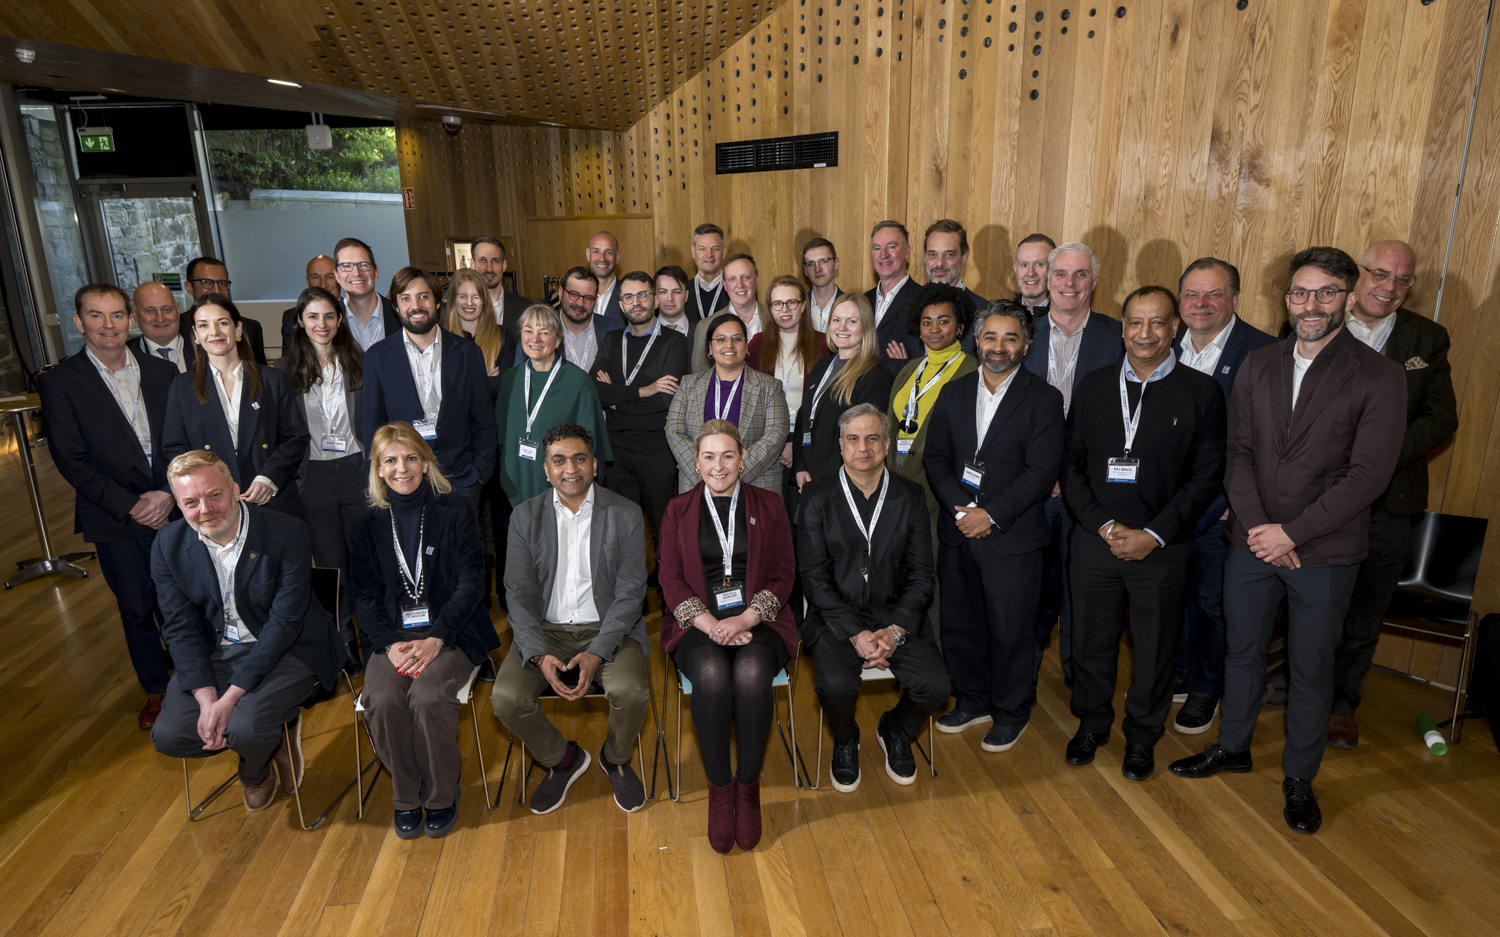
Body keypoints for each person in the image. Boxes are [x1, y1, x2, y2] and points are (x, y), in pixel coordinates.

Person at [1169, 247, 1406, 835]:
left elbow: (1368, 477)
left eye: (1326, 292)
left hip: (1323, 551)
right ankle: (1233, 747)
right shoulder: (1260, 364)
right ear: (1286, 299)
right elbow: (1237, 453)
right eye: (1301, 292)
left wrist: (1291, 534)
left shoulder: (1380, 375)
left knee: (1310, 667)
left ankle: (1299, 776)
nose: (1311, 305)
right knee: (1241, 652)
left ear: (1349, 297)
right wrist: (1259, 531)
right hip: (1251, 543)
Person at [1061, 287, 1226, 781]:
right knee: (1091, 644)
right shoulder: (1093, 386)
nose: (1145, 333)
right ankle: (1092, 723)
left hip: (1162, 549)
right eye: (1135, 323)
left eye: (1157, 323)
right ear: (1122, 329)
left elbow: (1206, 478)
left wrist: (1153, 534)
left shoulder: (1202, 392)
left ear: (1174, 328)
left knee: (1155, 649)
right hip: (1096, 541)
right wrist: (1105, 525)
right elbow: (1071, 467)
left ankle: (1142, 735)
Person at [149, 451, 343, 812]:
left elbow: (284, 623)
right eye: (191, 502)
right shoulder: (168, 544)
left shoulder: (286, 531)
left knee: (246, 727)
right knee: (169, 736)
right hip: (218, 651)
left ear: (235, 489)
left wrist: (231, 698)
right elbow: (179, 625)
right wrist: (208, 699)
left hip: (288, 648)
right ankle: (270, 737)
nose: (205, 509)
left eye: (214, 495)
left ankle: (255, 769)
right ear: (178, 505)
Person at [1328, 240, 1458, 748]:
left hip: (1389, 501)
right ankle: (1296, 688)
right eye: (1380, 273)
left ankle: (1341, 706)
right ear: (1357, 274)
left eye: (1403, 279)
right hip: (1318, 498)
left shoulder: (1427, 338)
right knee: (1310, 603)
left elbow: (1441, 419)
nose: (1390, 287)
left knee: (1365, 613)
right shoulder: (1317, 320)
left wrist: (1377, 459)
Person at [923, 302, 1064, 753]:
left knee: (1011, 629)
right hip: (958, 529)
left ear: (1026, 344)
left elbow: (1040, 474)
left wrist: (991, 515)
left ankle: (1011, 712)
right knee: (960, 622)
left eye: (1009, 338)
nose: (998, 347)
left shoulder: (1045, 399)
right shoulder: (954, 392)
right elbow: (936, 458)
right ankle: (972, 700)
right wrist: (963, 511)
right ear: (977, 342)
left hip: (1012, 535)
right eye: (990, 337)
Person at [349, 423, 500, 838]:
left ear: (426, 463)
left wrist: (437, 639)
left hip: (451, 633)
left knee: (428, 697)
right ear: (378, 469)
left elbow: (472, 585)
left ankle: (440, 795)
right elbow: (361, 596)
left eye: (411, 458)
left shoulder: (456, 513)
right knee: (382, 700)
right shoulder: (365, 525)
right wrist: (390, 644)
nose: (402, 469)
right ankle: (405, 795)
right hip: (391, 638)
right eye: (391, 461)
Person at [492, 423, 652, 814]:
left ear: (595, 465)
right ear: (546, 469)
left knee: (630, 691)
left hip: (610, 628)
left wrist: (598, 652)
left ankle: (615, 758)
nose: (570, 468)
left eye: (579, 458)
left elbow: (631, 594)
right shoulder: (524, 517)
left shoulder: (626, 514)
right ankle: (562, 759)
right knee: (506, 698)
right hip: (546, 631)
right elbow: (518, 595)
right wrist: (538, 654)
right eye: (559, 460)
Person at [40, 283, 177, 728]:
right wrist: (133, 505)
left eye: (117, 315)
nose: (108, 325)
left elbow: (182, 437)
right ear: (78, 322)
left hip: (172, 507)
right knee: (137, 608)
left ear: (130, 320)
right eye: (96, 316)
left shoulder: (162, 372)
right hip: (114, 516)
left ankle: (194, 678)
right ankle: (156, 689)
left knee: (182, 600)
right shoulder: (61, 382)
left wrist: (167, 492)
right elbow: (72, 460)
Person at [659, 421, 798, 853]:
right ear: (695, 461)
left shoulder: (770, 505)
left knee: (752, 675)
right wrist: (710, 624)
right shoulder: (677, 509)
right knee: (713, 675)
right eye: (708, 456)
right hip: (696, 621)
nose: (718, 466)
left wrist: (745, 620)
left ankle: (748, 788)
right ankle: (720, 789)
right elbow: (670, 578)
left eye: (727, 456)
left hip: (761, 618)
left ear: (742, 458)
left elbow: (784, 573)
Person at [798, 404, 948, 791]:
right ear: (841, 445)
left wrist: (895, 631)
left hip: (895, 613)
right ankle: (846, 739)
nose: (862, 447)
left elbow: (922, 576)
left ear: (886, 444)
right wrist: (855, 633)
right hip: (836, 615)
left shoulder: (910, 496)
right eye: (853, 439)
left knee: (936, 685)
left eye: (872, 438)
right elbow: (814, 578)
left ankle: (895, 728)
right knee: (835, 685)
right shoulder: (816, 495)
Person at [1169, 258, 1278, 734]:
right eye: (1191, 294)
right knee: (1174, 598)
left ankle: (1206, 688)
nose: (1201, 303)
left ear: (1235, 299)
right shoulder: (1161, 343)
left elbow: (1271, 442)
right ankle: (1180, 674)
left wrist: (1240, 502)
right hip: (1167, 506)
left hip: (1224, 508)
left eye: (1213, 294)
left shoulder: (1265, 352)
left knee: (1213, 605)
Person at [1022, 241, 1124, 687]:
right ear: (1047, 280)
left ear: (1094, 282)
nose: (1069, 283)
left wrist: (1068, 475)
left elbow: (1121, 420)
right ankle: (1020, 675)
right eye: (1060, 274)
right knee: (1029, 588)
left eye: (1080, 274)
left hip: (1089, 488)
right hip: (1029, 487)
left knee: (1083, 592)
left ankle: (1079, 683)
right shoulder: (1020, 332)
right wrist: (1043, 474)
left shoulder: (1117, 335)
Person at [363, 267, 498, 517]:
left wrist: (478, 474)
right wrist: (383, 481)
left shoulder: (468, 353)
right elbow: (374, 429)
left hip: (461, 481)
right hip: (405, 483)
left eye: (423, 297)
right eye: (406, 298)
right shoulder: (377, 358)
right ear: (396, 307)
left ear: (437, 302)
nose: (416, 306)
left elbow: (484, 422)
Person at [161, 294, 309, 518]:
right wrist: (208, 484)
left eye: (222, 323)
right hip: (213, 505)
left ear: (238, 329)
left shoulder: (272, 379)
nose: (214, 332)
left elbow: (295, 437)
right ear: (196, 335)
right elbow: (174, 448)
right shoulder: (182, 386)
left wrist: (269, 478)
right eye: (204, 325)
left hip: (271, 501)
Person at [280, 286, 366, 665]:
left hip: (356, 471)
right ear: (300, 321)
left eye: (329, 316)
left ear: (340, 319)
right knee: (332, 566)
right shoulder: (284, 372)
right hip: (313, 477)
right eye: (313, 316)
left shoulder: (360, 362)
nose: (322, 324)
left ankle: (373, 634)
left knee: (364, 560)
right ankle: (343, 641)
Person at [593, 270, 690, 547]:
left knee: (663, 528)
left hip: (657, 449)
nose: (636, 302)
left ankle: (665, 575)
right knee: (622, 531)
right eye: (628, 297)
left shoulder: (674, 341)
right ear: (621, 305)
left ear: (655, 300)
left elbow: (666, 401)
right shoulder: (612, 339)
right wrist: (643, 391)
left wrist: (616, 400)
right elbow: (594, 390)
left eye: (643, 295)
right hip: (616, 450)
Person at [495, 303, 612, 506]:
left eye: (544, 332)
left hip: (564, 488)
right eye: (528, 331)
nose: (535, 339)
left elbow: (590, 445)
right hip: (516, 482)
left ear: (558, 339)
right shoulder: (510, 379)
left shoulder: (578, 382)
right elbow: (502, 438)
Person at [666, 312, 789, 494]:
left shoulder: (770, 387)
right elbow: (674, 430)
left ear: (746, 346)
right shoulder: (688, 385)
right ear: (710, 348)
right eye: (721, 339)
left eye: (737, 339)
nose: (729, 345)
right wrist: (706, 473)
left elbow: (775, 435)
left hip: (755, 485)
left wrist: (731, 474)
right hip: (697, 484)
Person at [792, 293, 892, 492]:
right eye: (836, 320)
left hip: (842, 483)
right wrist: (800, 466)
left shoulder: (873, 377)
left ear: (866, 327)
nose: (842, 327)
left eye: (852, 321)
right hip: (807, 475)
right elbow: (804, 419)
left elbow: (863, 440)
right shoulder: (821, 367)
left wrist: (821, 481)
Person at [750, 275, 829, 501]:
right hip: (767, 438)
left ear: (803, 306)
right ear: (770, 308)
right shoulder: (757, 344)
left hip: (809, 439)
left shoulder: (823, 344)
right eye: (777, 303)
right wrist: (778, 443)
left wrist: (795, 446)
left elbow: (826, 405)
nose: (784, 310)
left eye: (791, 302)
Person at [443, 267, 518, 396]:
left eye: (476, 297)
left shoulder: (503, 336)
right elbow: (443, 388)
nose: (469, 303)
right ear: (453, 300)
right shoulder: (442, 340)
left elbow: (504, 384)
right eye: (462, 296)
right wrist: (484, 379)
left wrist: (464, 382)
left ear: (484, 300)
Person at [182, 257, 268, 365]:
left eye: (222, 283)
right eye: (207, 282)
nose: (216, 290)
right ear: (189, 287)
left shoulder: (251, 328)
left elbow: (259, 371)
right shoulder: (177, 328)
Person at [866, 221, 924, 376]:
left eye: (891, 247)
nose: (883, 254)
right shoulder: (863, 301)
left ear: (907, 252)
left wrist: (905, 366)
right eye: (877, 248)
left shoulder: (922, 301)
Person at [689, 253, 764, 372]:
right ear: (725, 285)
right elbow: (699, 377)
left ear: (757, 280)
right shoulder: (705, 327)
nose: (740, 285)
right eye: (732, 279)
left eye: (746, 277)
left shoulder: (776, 320)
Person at [923, 220, 988, 354]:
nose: (939, 263)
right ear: (925, 258)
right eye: (932, 255)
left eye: (949, 255)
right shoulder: (906, 308)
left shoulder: (984, 312)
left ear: (964, 256)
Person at [334, 237, 402, 351]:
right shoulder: (329, 319)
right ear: (336, 276)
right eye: (346, 266)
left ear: (376, 273)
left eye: (363, 265)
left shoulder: (401, 314)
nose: (356, 273)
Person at [557, 265, 623, 373]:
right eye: (574, 294)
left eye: (588, 298)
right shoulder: (540, 330)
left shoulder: (617, 331)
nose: (580, 303)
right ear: (560, 293)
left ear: (595, 301)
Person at [471, 235, 535, 330]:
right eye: (482, 260)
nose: (489, 268)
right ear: (472, 264)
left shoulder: (526, 309)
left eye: (495, 261)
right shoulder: (461, 309)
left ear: (504, 265)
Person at [129, 281, 194, 373]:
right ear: (135, 314)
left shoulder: (205, 348)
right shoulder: (124, 356)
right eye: (150, 311)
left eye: (166, 310)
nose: (160, 319)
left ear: (177, 309)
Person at [280, 255, 341, 354]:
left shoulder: (352, 312)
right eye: (316, 277)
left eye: (330, 277)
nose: (323, 284)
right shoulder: (291, 316)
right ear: (308, 280)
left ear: (339, 278)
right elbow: (290, 358)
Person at [687, 223, 731, 325]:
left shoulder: (736, 290)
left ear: (724, 251)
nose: (709, 255)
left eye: (715, 249)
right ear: (693, 251)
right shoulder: (683, 290)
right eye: (702, 249)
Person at [802, 237, 847, 332]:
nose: (817, 269)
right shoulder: (798, 307)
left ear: (836, 263)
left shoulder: (851, 306)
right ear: (805, 270)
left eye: (823, 261)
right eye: (811, 264)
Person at [1013, 233, 1056, 319]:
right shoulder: (1002, 316)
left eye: (1039, 264)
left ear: (1054, 268)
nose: (1031, 273)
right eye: (1024, 265)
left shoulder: (1068, 319)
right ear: (1016, 270)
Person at [586, 231, 624, 326]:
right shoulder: (575, 298)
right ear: (588, 255)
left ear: (618, 257)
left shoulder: (628, 297)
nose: (602, 258)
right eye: (596, 251)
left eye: (609, 252)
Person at [655, 265, 695, 336]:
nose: (670, 298)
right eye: (663, 292)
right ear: (655, 296)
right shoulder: (642, 333)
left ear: (686, 295)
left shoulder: (703, 332)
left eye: (676, 292)